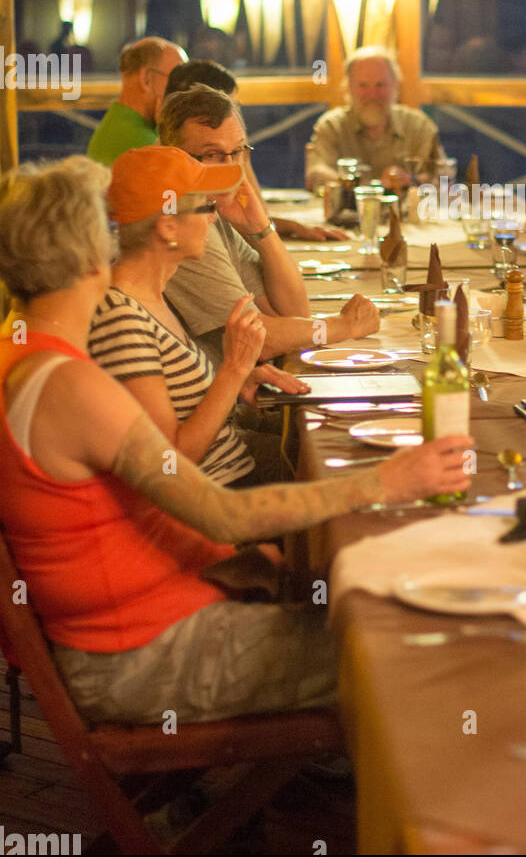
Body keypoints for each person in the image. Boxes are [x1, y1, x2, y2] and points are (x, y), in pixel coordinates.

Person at [0, 157, 472, 725]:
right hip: (145, 657)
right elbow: (220, 512)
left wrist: (220, 562)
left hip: (144, 626)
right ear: (86, 254)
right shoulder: (67, 385)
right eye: (101, 226)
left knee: (369, 596)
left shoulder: (23, 353)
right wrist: (387, 481)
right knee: (417, 643)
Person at [88, 146, 309, 489]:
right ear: (168, 227)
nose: (213, 217)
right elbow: (170, 460)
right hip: (220, 495)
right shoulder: (121, 319)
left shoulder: (154, 297)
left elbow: (183, 403)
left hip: (238, 464)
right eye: (206, 206)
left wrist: (239, 380)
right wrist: (234, 368)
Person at [157, 86, 379, 368]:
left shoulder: (215, 212)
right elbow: (260, 339)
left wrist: (261, 228)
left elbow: (294, 312)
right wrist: (345, 326)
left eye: (237, 151)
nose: (231, 168)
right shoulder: (179, 221)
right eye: (212, 155)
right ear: (175, 156)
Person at [165, 59, 346, 242]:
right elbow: (247, 227)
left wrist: (291, 226)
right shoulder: (182, 164)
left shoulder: (228, 153)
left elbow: (257, 217)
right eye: (231, 106)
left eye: (236, 107)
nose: (235, 116)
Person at [304, 46, 443, 192]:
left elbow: (442, 176)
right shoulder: (332, 126)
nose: (372, 95)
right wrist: (362, 186)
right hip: (347, 213)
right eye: (363, 85)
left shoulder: (418, 126)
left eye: (380, 85)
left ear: (395, 86)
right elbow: (316, 173)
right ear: (349, 87)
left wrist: (410, 179)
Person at [86, 37, 186, 166]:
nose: (184, 90)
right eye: (177, 79)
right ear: (146, 79)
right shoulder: (144, 143)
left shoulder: (116, 124)